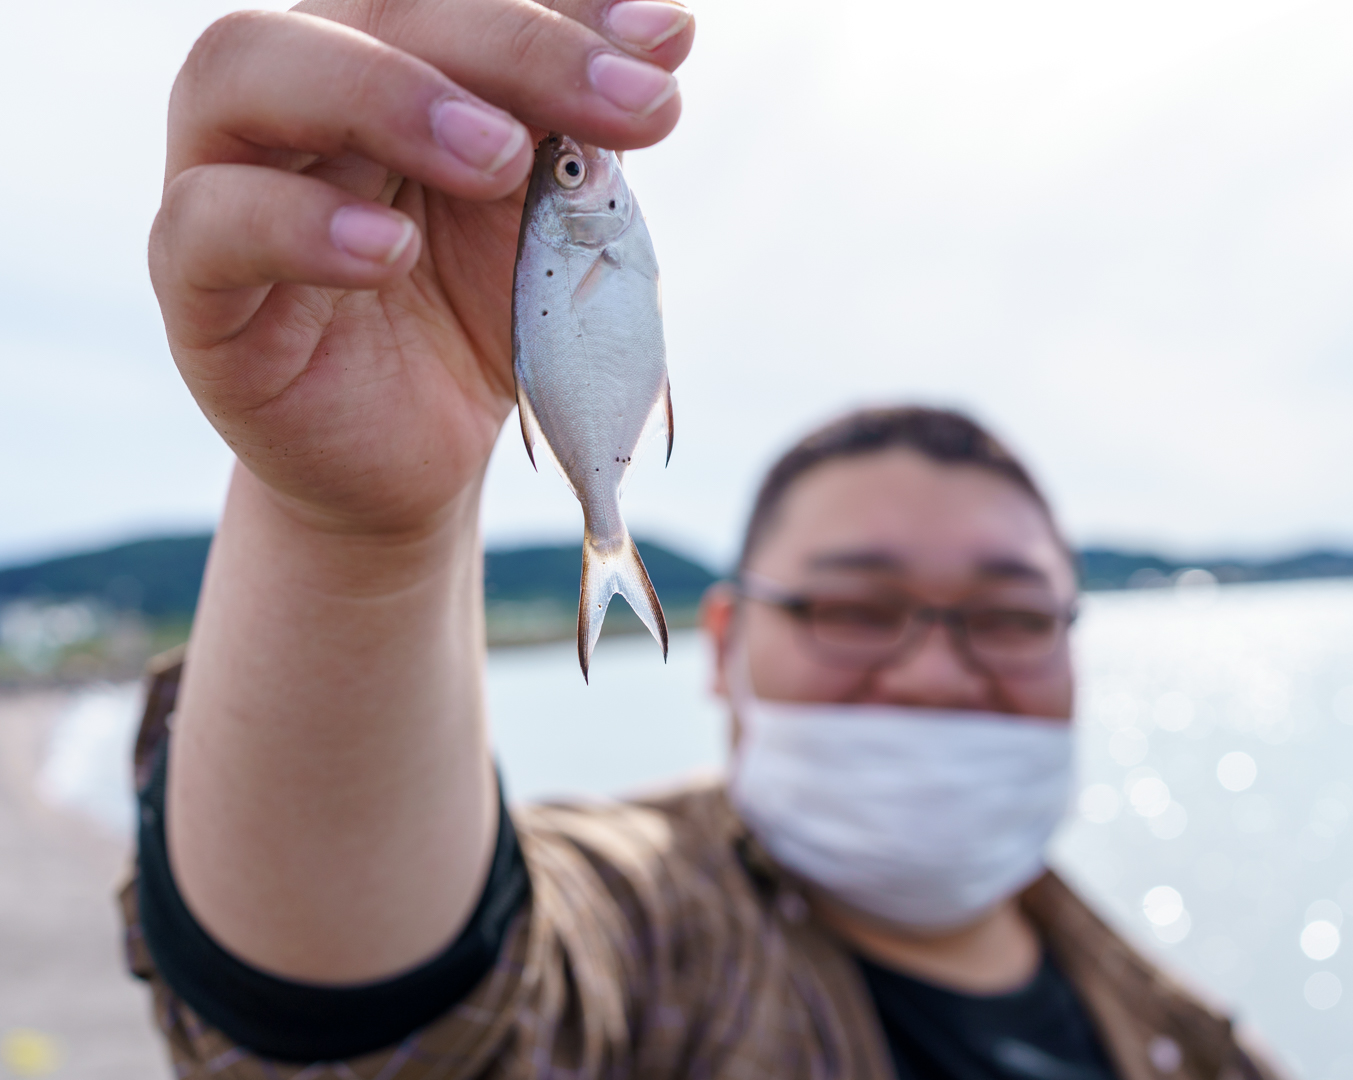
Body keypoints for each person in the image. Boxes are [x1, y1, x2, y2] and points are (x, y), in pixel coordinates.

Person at [124, 2, 1285, 1078]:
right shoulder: (661, 943)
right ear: (722, 648)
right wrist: (353, 536)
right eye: (855, 606)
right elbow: (407, 1027)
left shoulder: (1191, 1034)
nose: (936, 667)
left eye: (1012, 615)